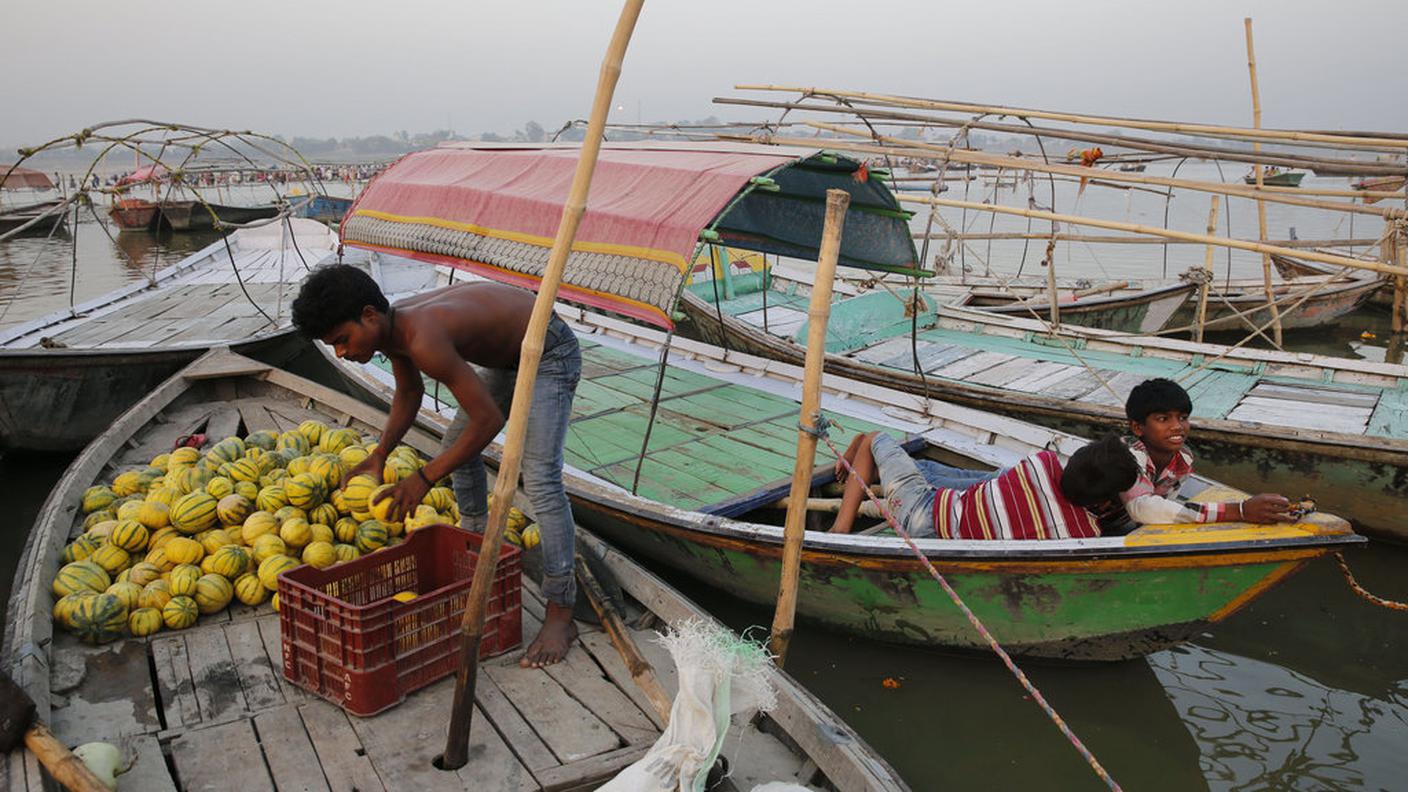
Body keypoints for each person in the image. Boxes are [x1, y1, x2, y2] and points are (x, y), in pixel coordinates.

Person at [291, 264, 582, 668]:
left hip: (549, 348)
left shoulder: (422, 336)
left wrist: (423, 479)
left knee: (541, 480)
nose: (342, 353)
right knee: (455, 450)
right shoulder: (393, 330)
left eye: (343, 339)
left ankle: (560, 613)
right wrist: (379, 455)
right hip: (508, 356)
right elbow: (409, 394)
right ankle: (476, 552)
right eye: (334, 347)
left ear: (369, 315)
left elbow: (487, 421)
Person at [829, 431, 1139, 540]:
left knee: (875, 439)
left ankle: (841, 527)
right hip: (933, 513)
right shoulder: (1086, 533)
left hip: (923, 514)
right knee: (997, 479)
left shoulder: (1041, 463)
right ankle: (875, 467)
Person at [1092, 378, 1291, 534]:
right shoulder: (1127, 455)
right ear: (1137, 427)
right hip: (1088, 523)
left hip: (1124, 524)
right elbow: (1143, 509)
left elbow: (1165, 510)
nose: (1177, 426)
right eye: (1163, 419)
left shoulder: (1184, 458)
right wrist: (1239, 511)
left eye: (1183, 418)